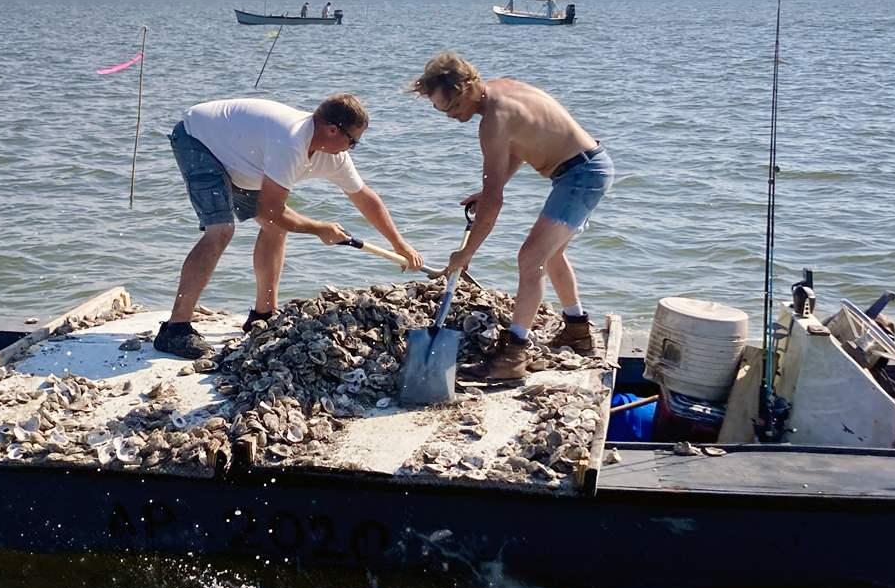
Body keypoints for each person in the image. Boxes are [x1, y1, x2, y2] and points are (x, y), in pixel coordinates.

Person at [157, 95, 425, 359]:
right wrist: (320, 229)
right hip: (199, 140)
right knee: (222, 229)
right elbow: (270, 210)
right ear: (333, 130)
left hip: (242, 157)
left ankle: (263, 316)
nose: (351, 149)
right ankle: (176, 328)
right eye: (352, 142)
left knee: (275, 228)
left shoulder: (333, 156)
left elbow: (365, 198)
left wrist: (400, 244)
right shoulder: (290, 142)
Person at [409, 51, 612, 380]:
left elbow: (493, 203)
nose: (449, 116)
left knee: (530, 258)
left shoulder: (493, 121)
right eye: (439, 109)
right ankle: (578, 332)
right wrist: (492, 187)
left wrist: (466, 253)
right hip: (586, 168)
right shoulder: (501, 90)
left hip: (582, 175)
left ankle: (512, 357)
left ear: (468, 86)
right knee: (551, 253)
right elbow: (518, 146)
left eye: (451, 107)